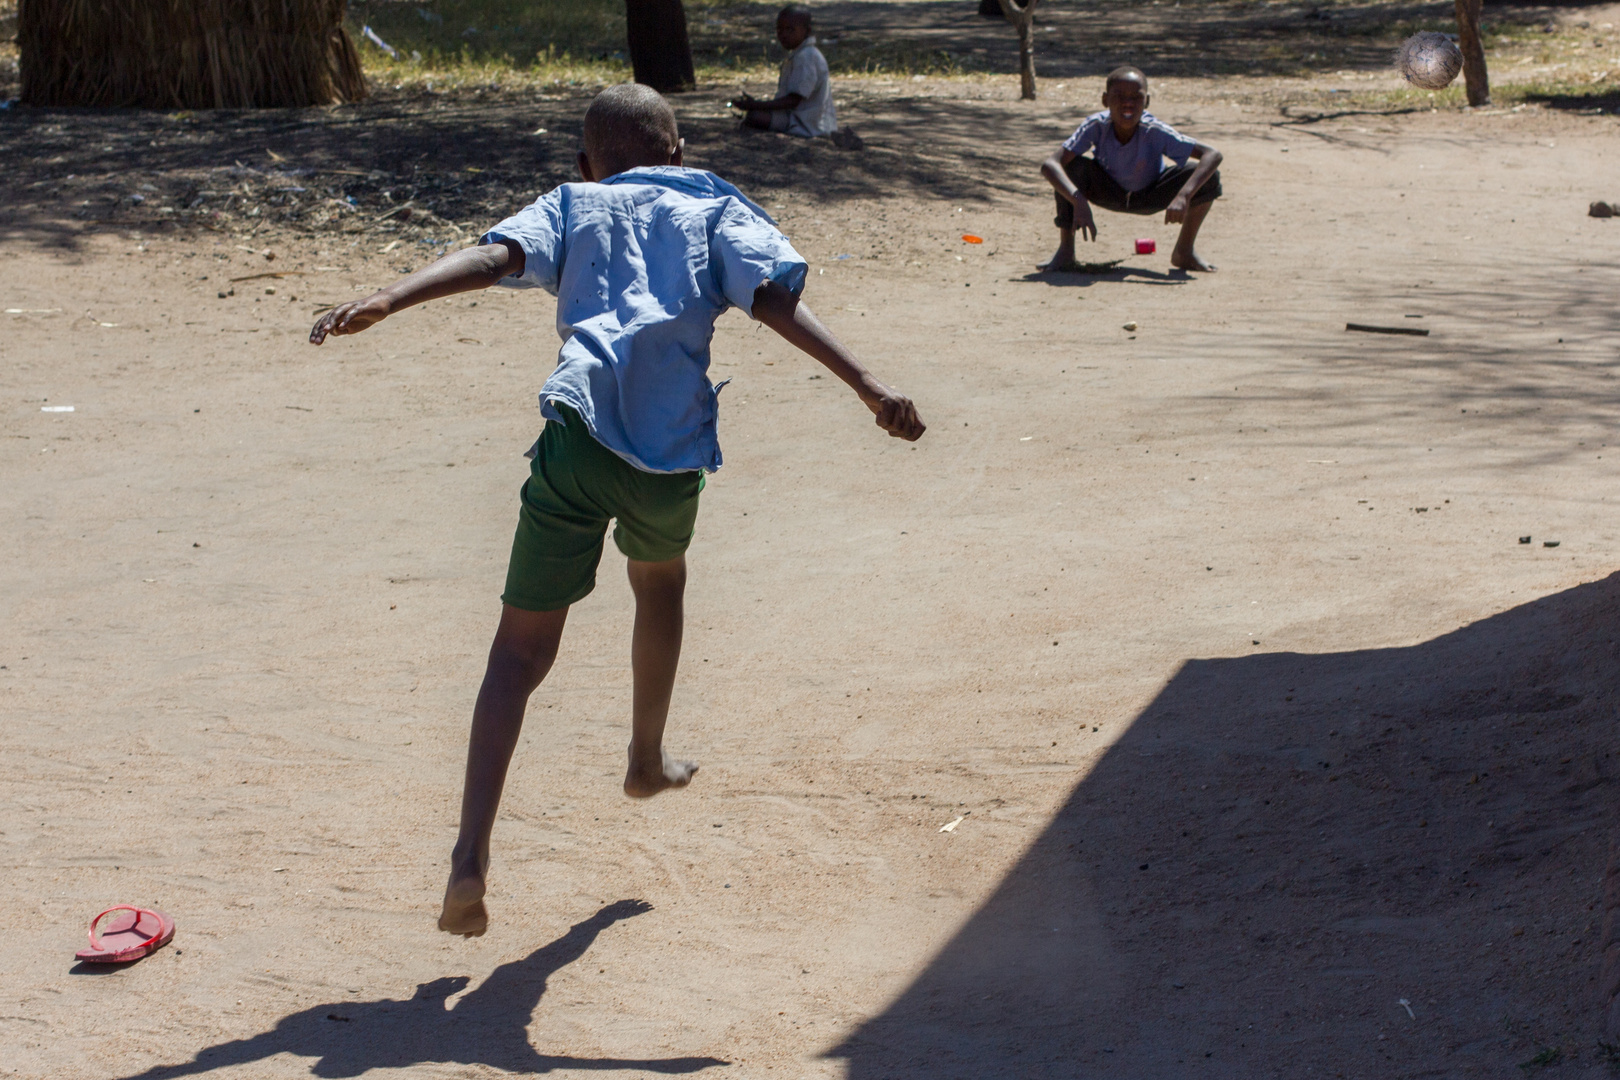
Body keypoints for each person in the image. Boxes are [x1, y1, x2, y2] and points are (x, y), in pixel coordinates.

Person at [308, 84, 924, 938]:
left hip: (578, 442)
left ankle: (468, 857)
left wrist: (392, 296)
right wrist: (868, 382)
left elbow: (493, 259)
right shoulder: (711, 203)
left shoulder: (574, 203)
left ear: (585, 162)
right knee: (659, 582)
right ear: (679, 153)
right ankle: (644, 758)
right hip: (667, 460)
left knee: (516, 656)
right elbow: (774, 300)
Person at [1039, 66, 1223, 273]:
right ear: (1105, 100)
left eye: (1136, 97)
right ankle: (1065, 251)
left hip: (1150, 193)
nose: (1128, 103)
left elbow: (1212, 154)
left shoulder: (1154, 130)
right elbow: (1050, 165)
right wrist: (1078, 200)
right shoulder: (1096, 125)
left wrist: (1184, 195)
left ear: (1147, 102)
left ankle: (1184, 251)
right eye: (1119, 96)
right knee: (1070, 166)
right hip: (1107, 191)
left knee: (1209, 177)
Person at [731, 6, 838, 137]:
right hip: (799, 118)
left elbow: (793, 101)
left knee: (755, 117)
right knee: (755, 115)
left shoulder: (806, 57)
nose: (783, 34)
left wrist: (757, 105)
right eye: (779, 29)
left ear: (807, 31)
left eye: (790, 29)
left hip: (806, 124)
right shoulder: (800, 55)